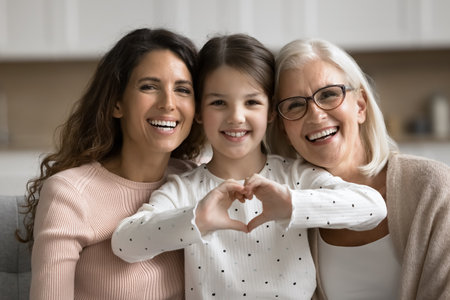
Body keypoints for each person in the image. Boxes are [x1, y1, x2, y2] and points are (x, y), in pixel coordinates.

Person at [111, 33, 387, 299]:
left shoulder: (295, 176)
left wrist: (292, 205)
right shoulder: (185, 189)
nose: (236, 117)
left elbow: (372, 207)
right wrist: (197, 218)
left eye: (252, 102)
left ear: (270, 112)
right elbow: (125, 243)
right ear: (198, 112)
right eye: (218, 102)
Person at [16, 28, 202, 299]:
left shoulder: (194, 179)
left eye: (183, 89)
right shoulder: (69, 193)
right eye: (149, 86)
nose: (169, 103)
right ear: (117, 104)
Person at [268, 38, 450, 300]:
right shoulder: (287, 208)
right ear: (284, 130)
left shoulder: (433, 187)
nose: (316, 114)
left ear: (360, 106)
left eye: (329, 94)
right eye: (295, 105)